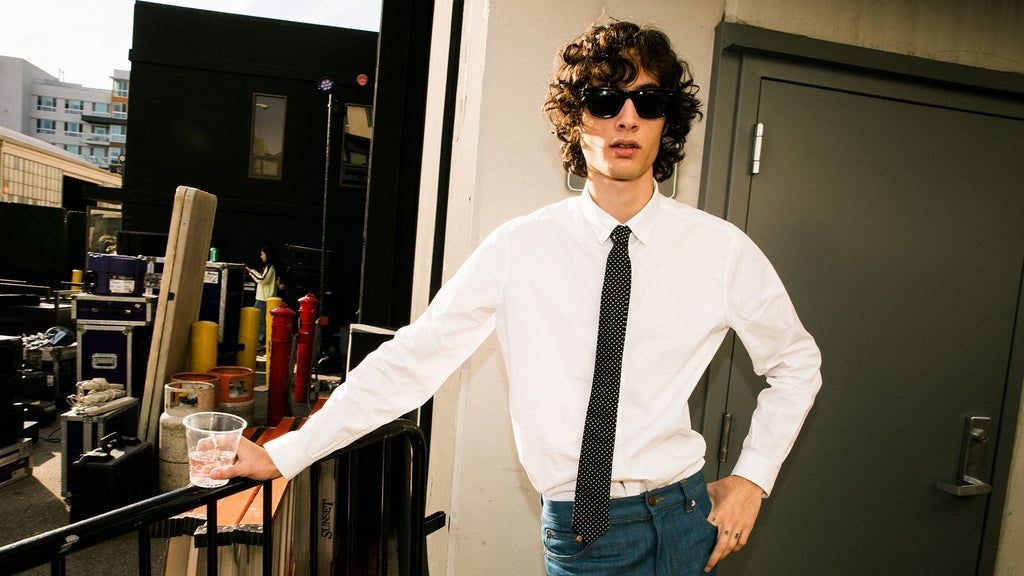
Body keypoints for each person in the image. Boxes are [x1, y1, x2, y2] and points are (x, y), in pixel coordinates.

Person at [213, 20, 822, 575]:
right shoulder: (520, 248)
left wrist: (751, 479)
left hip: (685, 519)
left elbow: (797, 364)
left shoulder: (720, 250)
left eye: (648, 101)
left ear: (668, 121)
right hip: (586, 532)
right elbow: (412, 361)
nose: (627, 119)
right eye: (605, 100)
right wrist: (286, 454)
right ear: (575, 120)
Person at [244, 246, 276, 348]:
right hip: (263, 297)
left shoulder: (270, 267)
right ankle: (259, 340)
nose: (261, 256)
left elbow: (262, 280)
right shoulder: (269, 267)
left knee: (259, 319)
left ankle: (260, 341)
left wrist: (251, 272)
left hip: (264, 298)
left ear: (267, 255)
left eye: (262, 254)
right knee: (260, 319)